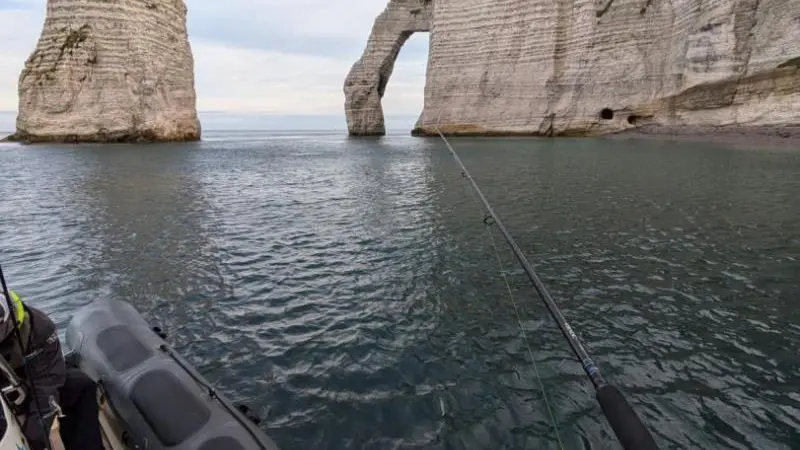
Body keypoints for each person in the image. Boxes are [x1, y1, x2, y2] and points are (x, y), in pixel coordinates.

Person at [0, 289, 105, 450]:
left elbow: (48, 380)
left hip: (29, 379)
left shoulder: (38, 327)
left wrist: (37, 430)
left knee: (81, 386)